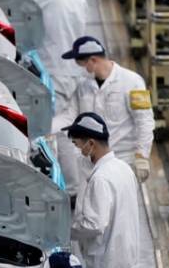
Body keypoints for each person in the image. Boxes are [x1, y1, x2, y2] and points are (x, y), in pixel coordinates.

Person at [62, 112, 139, 268]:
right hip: (124, 258)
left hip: (106, 265)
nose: (79, 150)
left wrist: (65, 230)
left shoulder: (101, 179)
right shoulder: (123, 168)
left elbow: (94, 224)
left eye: (79, 144)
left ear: (91, 143)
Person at [31, 0, 88, 193]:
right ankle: (73, 188)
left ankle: (54, 186)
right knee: (66, 130)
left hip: (51, 70)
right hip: (73, 71)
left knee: (43, 128)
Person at [59, 36, 154, 182]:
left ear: (93, 61)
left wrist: (142, 156)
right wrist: (43, 129)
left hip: (123, 163)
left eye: (81, 64)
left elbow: (145, 121)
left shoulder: (133, 82)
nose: (80, 70)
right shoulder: (83, 86)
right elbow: (68, 116)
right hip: (93, 163)